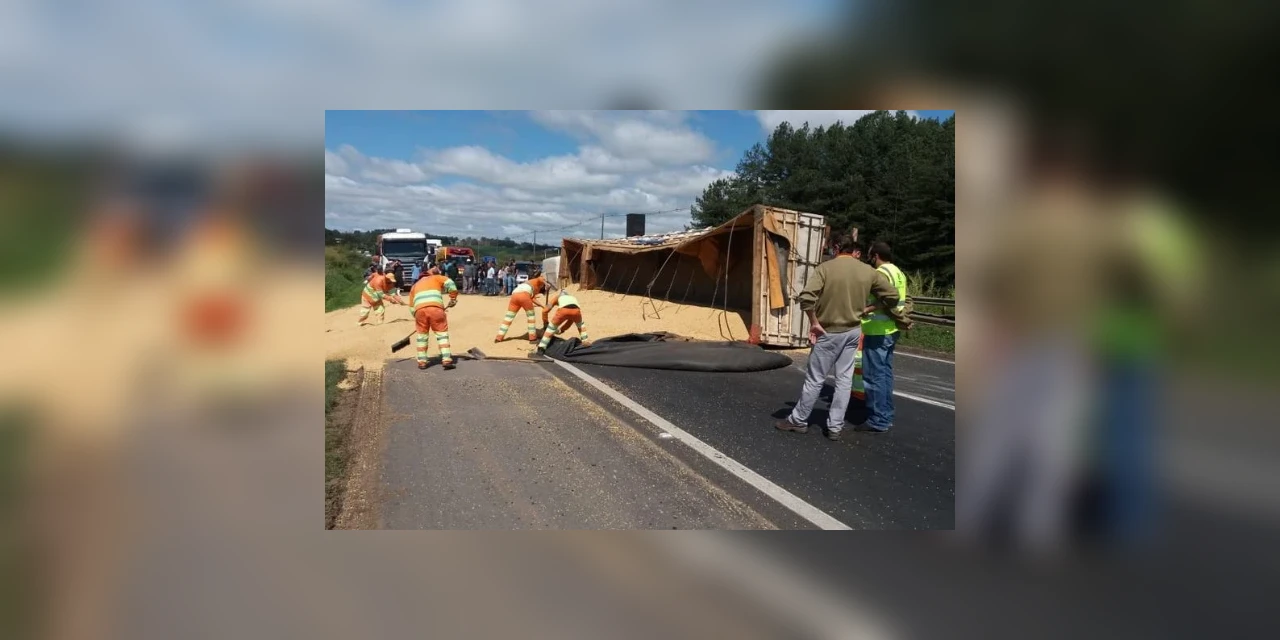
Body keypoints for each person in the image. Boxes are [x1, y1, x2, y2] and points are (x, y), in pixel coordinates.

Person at [776, 239, 899, 441]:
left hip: (828, 331)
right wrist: (867, 309)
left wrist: (813, 321)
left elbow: (807, 298)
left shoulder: (825, 268)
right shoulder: (868, 271)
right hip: (853, 331)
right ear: (855, 252)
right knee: (844, 380)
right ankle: (835, 426)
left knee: (815, 379)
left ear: (836, 249)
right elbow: (892, 296)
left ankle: (798, 420)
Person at [858, 242, 910, 432]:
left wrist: (866, 309)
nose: (869, 258)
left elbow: (888, 298)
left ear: (876, 255)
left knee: (873, 376)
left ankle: (878, 419)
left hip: (878, 330)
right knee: (885, 375)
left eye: (870, 255)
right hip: (891, 328)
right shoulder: (897, 271)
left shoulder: (881, 273)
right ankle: (886, 414)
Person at [407, 266, 459, 370]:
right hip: (436, 309)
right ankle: (446, 359)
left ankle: (422, 362)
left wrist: (418, 318)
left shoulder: (414, 286)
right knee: (442, 334)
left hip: (419, 311)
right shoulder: (436, 277)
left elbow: (411, 307)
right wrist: (453, 298)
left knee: (422, 336)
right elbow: (450, 284)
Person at [495, 274, 547, 344]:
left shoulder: (529, 285)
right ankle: (532, 338)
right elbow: (540, 278)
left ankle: (499, 337)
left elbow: (533, 299)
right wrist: (547, 284)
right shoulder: (536, 281)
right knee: (531, 317)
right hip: (524, 296)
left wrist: (542, 306)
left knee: (508, 317)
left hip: (514, 296)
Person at [536, 286, 589, 352]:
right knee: (581, 326)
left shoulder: (557, 297)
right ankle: (585, 342)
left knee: (550, 329)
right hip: (576, 311)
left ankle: (541, 348)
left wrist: (545, 323)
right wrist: (562, 330)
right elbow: (570, 321)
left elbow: (545, 311)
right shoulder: (572, 298)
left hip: (563, 311)